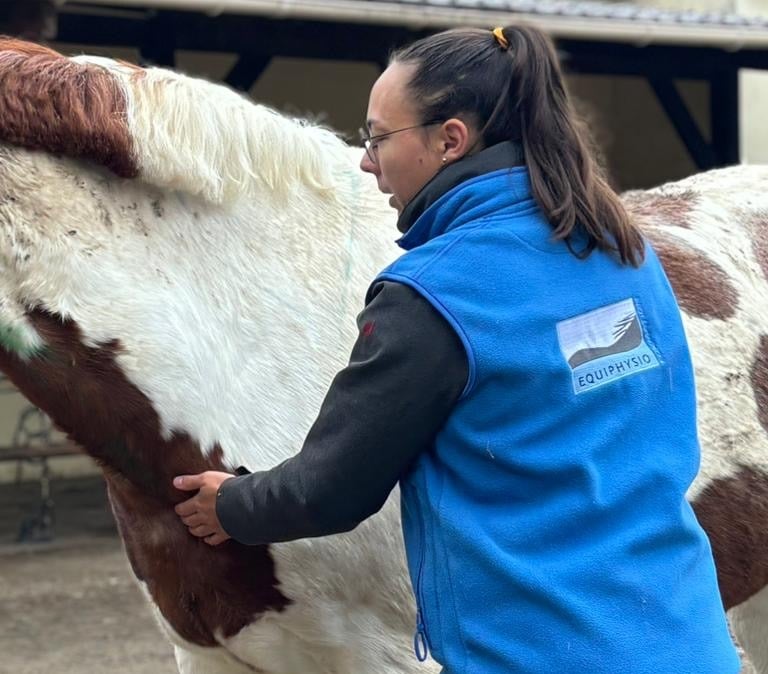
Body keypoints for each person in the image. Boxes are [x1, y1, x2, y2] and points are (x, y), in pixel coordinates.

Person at [173, 24, 740, 673]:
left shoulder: (433, 295)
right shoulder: (623, 253)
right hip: (686, 642)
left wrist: (231, 504)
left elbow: (331, 488)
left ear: (450, 140)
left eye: (377, 137)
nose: (366, 160)